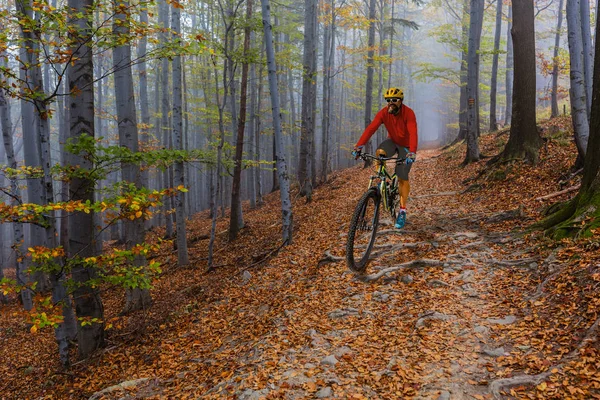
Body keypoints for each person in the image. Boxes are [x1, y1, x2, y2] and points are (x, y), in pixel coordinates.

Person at [352, 87, 418, 229]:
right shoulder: (384, 113)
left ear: (401, 101)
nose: (391, 103)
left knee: (402, 176)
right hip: (392, 141)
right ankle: (382, 182)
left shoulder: (409, 113)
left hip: (405, 147)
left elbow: (413, 132)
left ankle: (402, 211)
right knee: (380, 152)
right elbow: (371, 128)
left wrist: (412, 152)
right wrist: (358, 146)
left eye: (394, 100)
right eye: (388, 100)